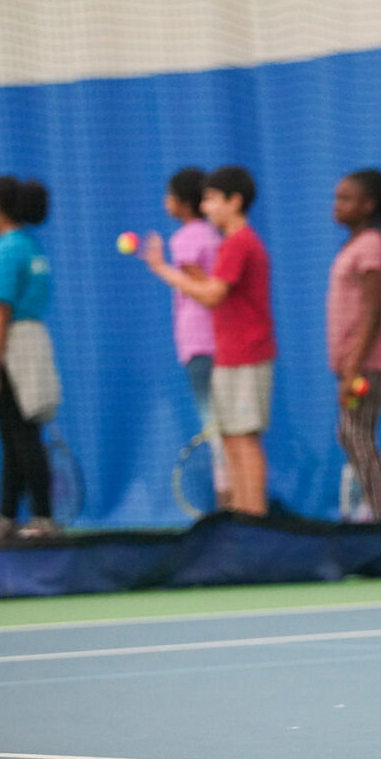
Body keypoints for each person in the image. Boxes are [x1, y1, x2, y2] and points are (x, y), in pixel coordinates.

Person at [144, 165, 275, 516]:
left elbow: (211, 295)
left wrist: (161, 269)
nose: (206, 207)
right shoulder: (229, 243)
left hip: (248, 354)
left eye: (213, 199)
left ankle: (255, 519)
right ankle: (243, 520)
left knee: (244, 439)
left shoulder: (240, 243)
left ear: (235, 202)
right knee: (231, 438)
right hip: (228, 354)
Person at [0, 176, 62, 539]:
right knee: (13, 432)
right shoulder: (26, 245)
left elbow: (1, 312)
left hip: (11, 344)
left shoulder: (9, 248)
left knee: (22, 434)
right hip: (22, 342)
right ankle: (8, 516)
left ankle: (43, 517)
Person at [142, 168, 227, 509]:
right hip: (218, 342)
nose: (165, 201)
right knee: (225, 427)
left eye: (168, 194)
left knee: (215, 427)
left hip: (200, 343)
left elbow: (203, 288)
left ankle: (228, 503)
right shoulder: (212, 234)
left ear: (181, 202)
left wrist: (161, 266)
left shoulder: (185, 239)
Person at [329, 168, 381, 521]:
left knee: (356, 436)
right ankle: (368, 511)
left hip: (369, 363)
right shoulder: (355, 245)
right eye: (337, 197)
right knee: (352, 435)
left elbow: (374, 313)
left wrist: (354, 367)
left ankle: (379, 516)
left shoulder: (371, 246)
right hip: (354, 362)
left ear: (369, 205)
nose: (337, 205)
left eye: (346, 198)